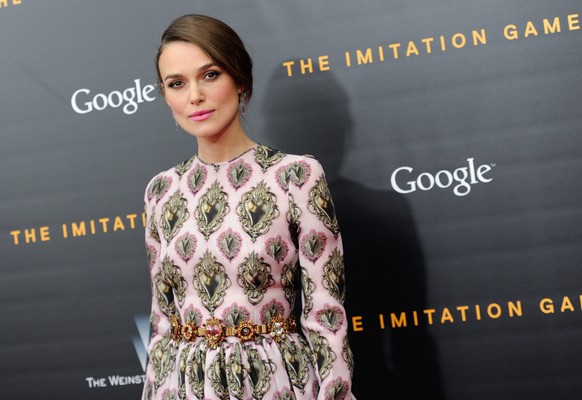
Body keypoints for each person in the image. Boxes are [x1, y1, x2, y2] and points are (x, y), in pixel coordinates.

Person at [142, 14, 355, 400]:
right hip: (185, 387)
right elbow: (162, 323)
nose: (194, 96)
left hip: (273, 384)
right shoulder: (161, 191)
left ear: (240, 80)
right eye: (177, 83)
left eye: (210, 75)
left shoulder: (296, 177)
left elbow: (326, 314)